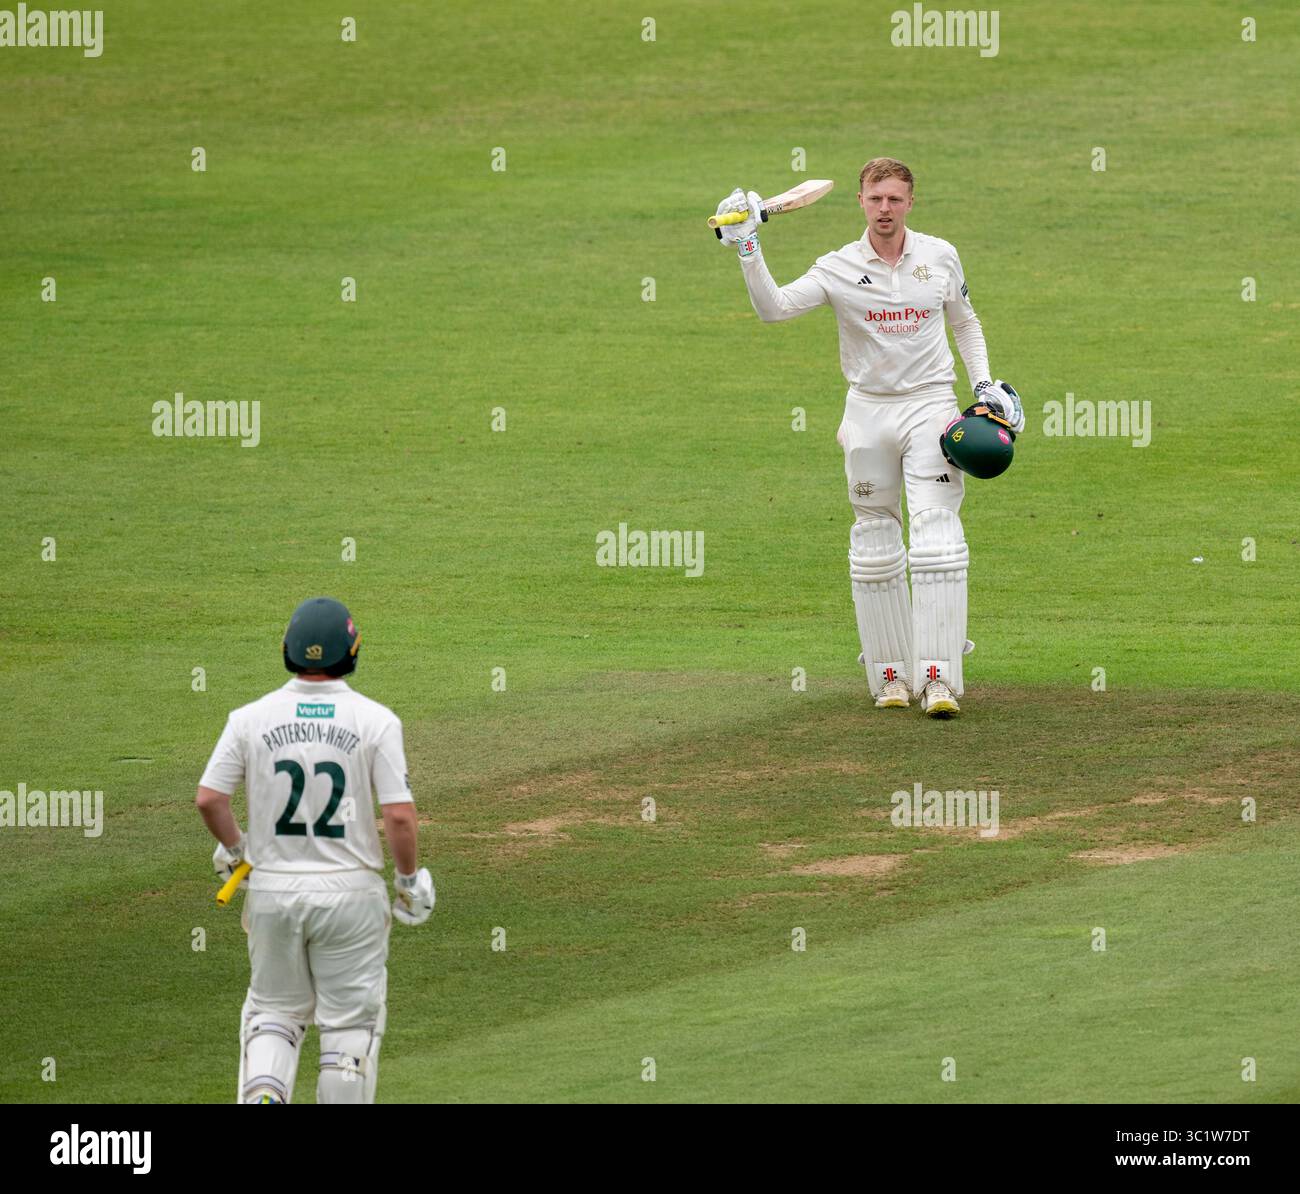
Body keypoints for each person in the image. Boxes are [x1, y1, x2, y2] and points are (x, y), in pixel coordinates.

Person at [716, 157, 1023, 717]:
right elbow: (774, 309)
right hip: (867, 412)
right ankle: (890, 678)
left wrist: (982, 383)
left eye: (895, 199)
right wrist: (746, 248)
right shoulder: (837, 267)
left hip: (931, 407)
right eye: (876, 199)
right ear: (861, 202)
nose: (885, 209)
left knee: (937, 541)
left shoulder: (939, 256)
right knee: (875, 542)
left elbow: (965, 322)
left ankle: (938, 680)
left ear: (910, 202)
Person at [196, 596, 434, 1103]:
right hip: (351, 897)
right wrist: (410, 881)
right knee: (348, 1029)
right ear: (352, 652)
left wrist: (239, 851)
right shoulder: (376, 721)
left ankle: (264, 1096)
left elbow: (209, 799)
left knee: (273, 1016)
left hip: (272, 894)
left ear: (288, 650)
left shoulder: (248, 719)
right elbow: (398, 815)